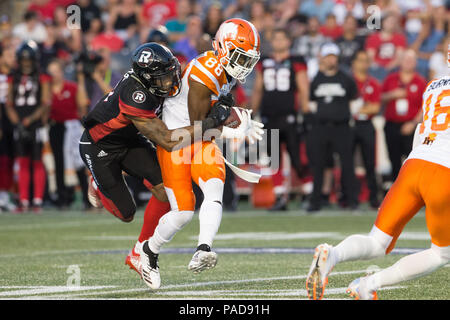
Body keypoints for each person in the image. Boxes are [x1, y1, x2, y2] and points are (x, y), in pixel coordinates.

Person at [305, 57, 450, 300]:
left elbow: (423, 129)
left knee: (378, 242)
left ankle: (333, 254)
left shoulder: (433, 85)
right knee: (442, 254)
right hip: (444, 171)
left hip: (414, 164)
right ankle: (369, 284)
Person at [138, 19, 264, 290]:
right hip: (177, 140)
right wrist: (230, 122)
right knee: (182, 212)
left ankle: (203, 248)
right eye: (239, 56)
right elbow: (199, 123)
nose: (243, 64)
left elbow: (208, 124)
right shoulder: (205, 70)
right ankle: (148, 250)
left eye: (247, 59)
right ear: (222, 47)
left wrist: (228, 116)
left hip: (199, 139)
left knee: (214, 185)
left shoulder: (223, 69)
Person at [79, 42, 233, 224]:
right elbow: (167, 140)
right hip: (99, 147)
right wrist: (211, 122)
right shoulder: (135, 95)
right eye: (163, 78)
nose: (171, 80)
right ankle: (97, 185)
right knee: (127, 214)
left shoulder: (161, 78)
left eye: (172, 70)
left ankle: (144, 248)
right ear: (147, 79)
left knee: (165, 190)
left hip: (130, 141)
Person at [251, 28, 309, 210]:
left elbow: (303, 87)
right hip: (269, 116)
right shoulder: (265, 62)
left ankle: (308, 193)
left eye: (281, 38)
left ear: (288, 41)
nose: (278, 42)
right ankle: (279, 197)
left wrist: (305, 110)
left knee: (298, 158)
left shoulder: (296, 61)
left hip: (289, 116)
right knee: (274, 158)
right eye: (275, 38)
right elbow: (258, 88)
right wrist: (252, 110)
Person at [305, 42, 359, 212]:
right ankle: (316, 201)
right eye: (327, 56)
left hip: (341, 127)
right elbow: (310, 101)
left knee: (347, 164)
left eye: (333, 56)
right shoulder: (316, 79)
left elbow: (355, 100)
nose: (330, 60)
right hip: (321, 126)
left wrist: (344, 114)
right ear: (322, 58)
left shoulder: (346, 78)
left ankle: (351, 200)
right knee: (319, 164)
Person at [4, 41, 51, 212]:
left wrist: (30, 120)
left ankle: (37, 200)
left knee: (37, 161)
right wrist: (17, 123)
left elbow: (45, 101)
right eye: (23, 60)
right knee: (22, 161)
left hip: (35, 123)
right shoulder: (12, 76)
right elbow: (9, 102)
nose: (26, 64)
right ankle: (23, 200)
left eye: (28, 60)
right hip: (20, 122)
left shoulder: (42, 76)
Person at [47, 59, 90, 209]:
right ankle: (62, 197)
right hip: (55, 127)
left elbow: (82, 105)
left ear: (62, 72)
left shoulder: (71, 87)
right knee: (58, 162)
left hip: (71, 127)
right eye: (51, 72)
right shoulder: (47, 90)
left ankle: (86, 197)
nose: (54, 75)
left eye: (56, 71)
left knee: (78, 163)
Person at [381, 49, 426, 184]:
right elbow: (381, 98)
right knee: (393, 159)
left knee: (413, 161)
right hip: (392, 124)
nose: (408, 63)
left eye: (411, 60)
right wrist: (392, 95)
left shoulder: (420, 81)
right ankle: (395, 192)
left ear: (415, 63)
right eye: (406, 59)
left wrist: (412, 123)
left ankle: (414, 192)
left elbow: (425, 106)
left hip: (411, 125)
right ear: (400, 61)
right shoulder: (390, 79)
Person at [351, 50, 381, 209]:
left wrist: (358, 109)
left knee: (370, 162)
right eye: (360, 60)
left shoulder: (373, 83)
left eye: (365, 61)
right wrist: (363, 108)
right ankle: (349, 197)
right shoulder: (349, 82)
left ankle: (373, 197)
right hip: (350, 124)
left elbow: (375, 107)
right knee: (347, 162)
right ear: (354, 63)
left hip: (366, 125)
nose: (363, 64)